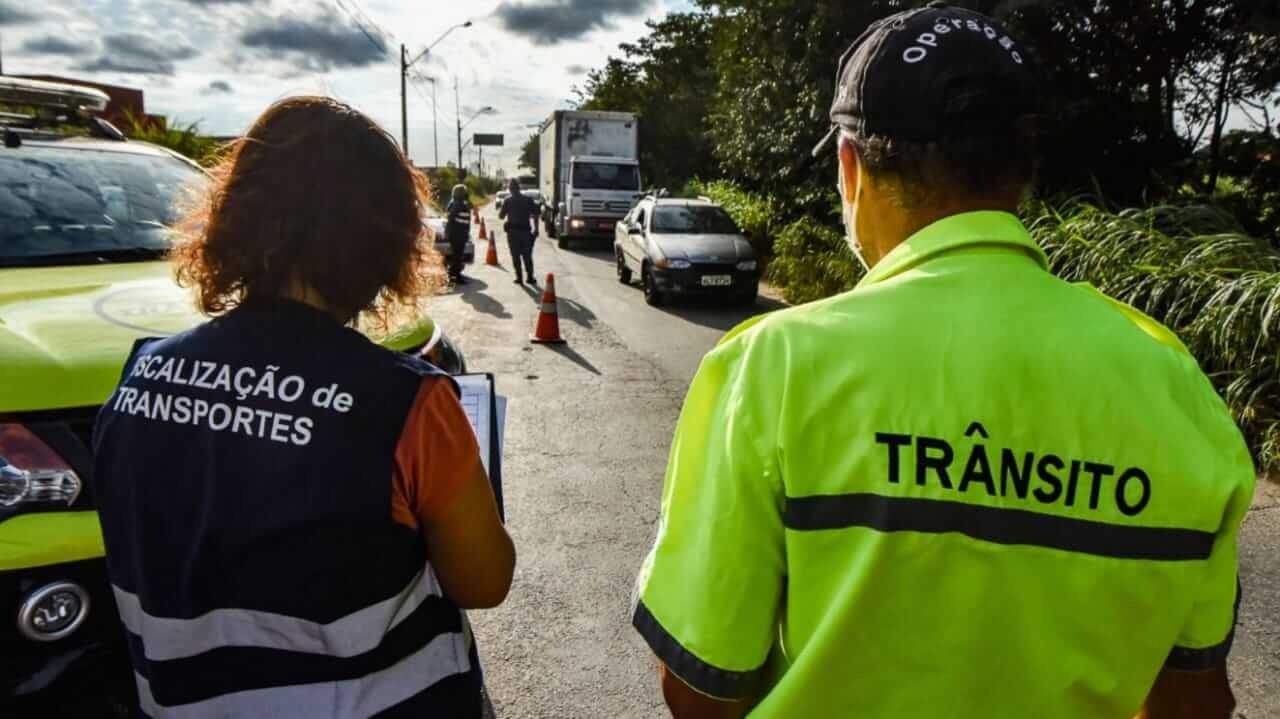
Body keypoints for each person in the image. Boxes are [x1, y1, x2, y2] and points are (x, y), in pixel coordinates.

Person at [630, 5, 1254, 719]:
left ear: (850, 168)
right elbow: (1194, 701)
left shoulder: (772, 366)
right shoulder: (1174, 384)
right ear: (1022, 169)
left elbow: (703, 690)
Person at [92, 96, 515, 718]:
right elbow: (484, 581)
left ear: (237, 218)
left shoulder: (139, 377)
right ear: (386, 242)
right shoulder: (408, 404)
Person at [498, 178, 539, 284]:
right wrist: (536, 229)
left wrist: (504, 209)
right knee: (527, 255)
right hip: (525, 232)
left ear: (510, 189)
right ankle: (530, 277)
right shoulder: (528, 200)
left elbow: (501, 216)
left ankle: (519, 278)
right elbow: (535, 214)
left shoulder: (507, 201)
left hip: (512, 233)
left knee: (515, 255)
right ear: (519, 188)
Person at [444, 183, 473, 285]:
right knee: (457, 256)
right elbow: (450, 217)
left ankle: (456, 275)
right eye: (464, 192)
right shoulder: (458, 203)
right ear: (461, 193)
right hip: (457, 233)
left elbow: (470, 206)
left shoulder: (457, 202)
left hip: (458, 233)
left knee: (457, 256)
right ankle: (453, 276)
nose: (466, 193)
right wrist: (448, 231)